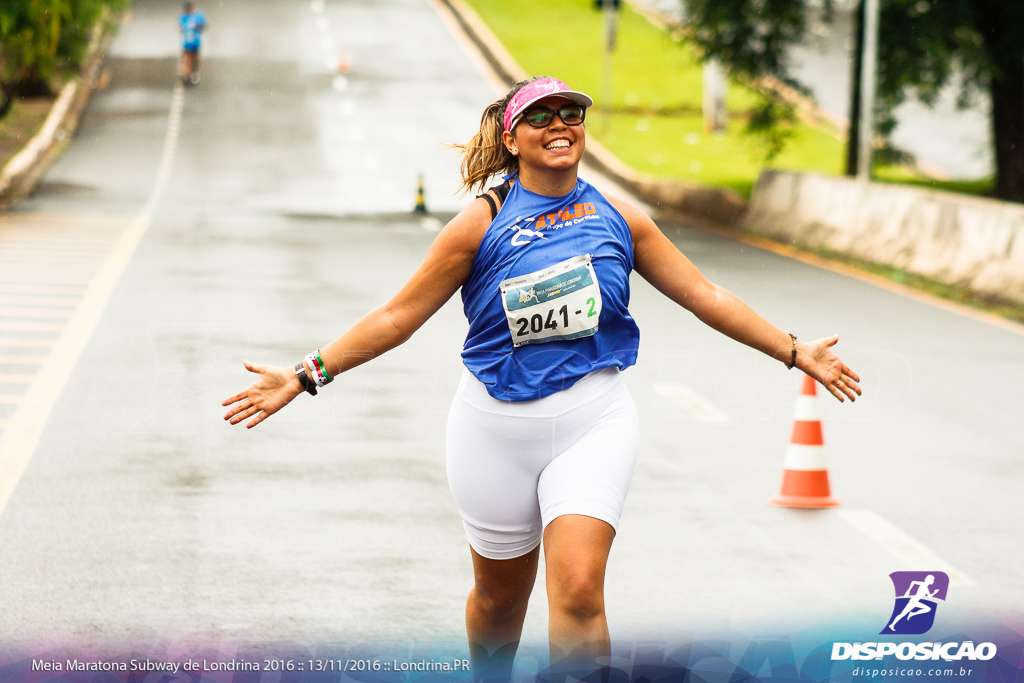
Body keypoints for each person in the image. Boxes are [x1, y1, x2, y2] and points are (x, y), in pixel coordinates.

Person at [221, 76, 862, 680]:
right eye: (539, 117)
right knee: (500, 602)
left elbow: (704, 293)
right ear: (510, 137)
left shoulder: (622, 218)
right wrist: (305, 375)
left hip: (594, 418)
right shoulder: (479, 224)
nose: (559, 125)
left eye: (571, 114)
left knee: (580, 592)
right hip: (493, 427)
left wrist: (793, 348)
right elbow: (397, 316)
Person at [179, 2, 207, 85]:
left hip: (196, 42)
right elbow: (179, 28)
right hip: (186, 43)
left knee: (195, 60)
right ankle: (187, 76)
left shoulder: (199, 16)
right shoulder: (183, 17)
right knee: (187, 59)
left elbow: (204, 27)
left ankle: (194, 74)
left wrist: (197, 26)